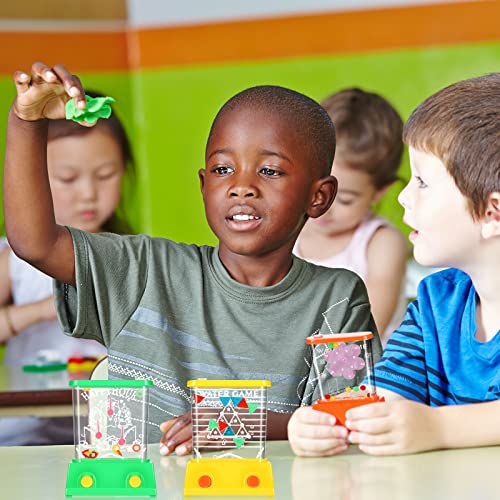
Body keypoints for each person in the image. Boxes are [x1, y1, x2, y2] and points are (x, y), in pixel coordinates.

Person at [3, 62, 382, 453]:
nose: (241, 187)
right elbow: (36, 243)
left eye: (269, 170)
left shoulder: (335, 298)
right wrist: (26, 122)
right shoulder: (146, 269)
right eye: (223, 168)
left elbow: (348, 419)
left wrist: (243, 422)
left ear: (318, 197)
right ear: (204, 184)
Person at [288, 73, 500, 457]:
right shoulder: (435, 304)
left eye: (421, 181)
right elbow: (380, 399)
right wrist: (326, 424)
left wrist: (438, 427)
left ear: (492, 211)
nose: (402, 197)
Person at [0, 91, 132, 445]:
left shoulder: (132, 255)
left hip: (112, 432)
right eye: (68, 179)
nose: (88, 193)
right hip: (26, 430)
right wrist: (42, 310)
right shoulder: (13, 259)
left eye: (105, 175)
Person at [294, 88, 409, 341]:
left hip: (366, 372)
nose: (324, 204)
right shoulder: (288, 232)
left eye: (344, 199)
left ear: (379, 191)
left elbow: (369, 327)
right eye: (314, 188)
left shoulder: (380, 243)